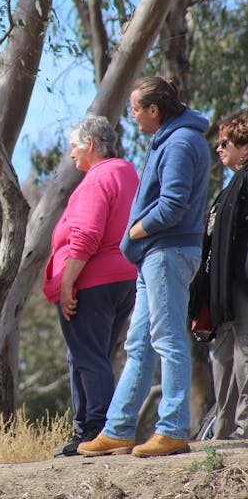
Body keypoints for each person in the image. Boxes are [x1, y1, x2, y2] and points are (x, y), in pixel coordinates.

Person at [79, 77, 210, 458]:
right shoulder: (172, 139)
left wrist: (135, 230)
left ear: (155, 110)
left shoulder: (182, 142)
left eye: (136, 108)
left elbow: (172, 205)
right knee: (139, 343)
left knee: (168, 340)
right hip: (155, 254)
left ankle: (172, 429)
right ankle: (119, 429)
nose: (132, 116)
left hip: (167, 251)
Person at [43, 115, 138, 457]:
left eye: (74, 147)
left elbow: (86, 235)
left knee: (89, 357)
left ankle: (98, 429)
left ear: (92, 146)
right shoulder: (128, 172)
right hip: (124, 279)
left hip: (92, 281)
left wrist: (67, 283)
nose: (71, 155)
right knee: (89, 356)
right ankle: (88, 428)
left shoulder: (98, 179)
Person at [191, 113, 248, 439]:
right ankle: (222, 431)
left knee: (244, 349)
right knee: (223, 354)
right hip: (222, 289)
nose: (218, 148)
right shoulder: (232, 185)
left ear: (244, 144)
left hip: (241, 281)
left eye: (224, 142)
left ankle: (244, 428)